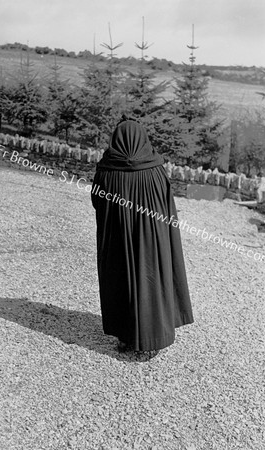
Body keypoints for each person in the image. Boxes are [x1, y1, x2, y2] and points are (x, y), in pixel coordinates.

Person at [91, 115, 194, 356]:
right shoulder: (156, 169)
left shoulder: (106, 170)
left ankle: (126, 339)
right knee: (152, 281)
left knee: (121, 280)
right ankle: (155, 338)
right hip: (154, 240)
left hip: (118, 239)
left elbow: (98, 202)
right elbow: (168, 205)